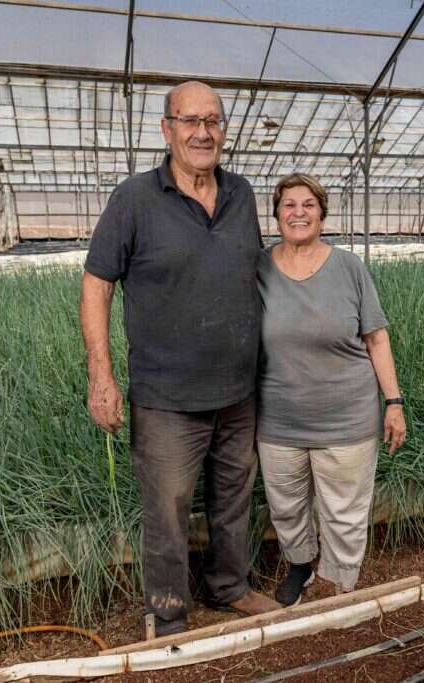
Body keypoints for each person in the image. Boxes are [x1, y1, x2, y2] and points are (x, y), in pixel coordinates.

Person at [79, 81, 280, 637]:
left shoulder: (241, 195)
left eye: (213, 121)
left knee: (234, 496)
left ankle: (230, 587)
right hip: (167, 398)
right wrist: (102, 375)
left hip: (239, 393)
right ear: (166, 129)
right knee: (168, 509)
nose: (202, 132)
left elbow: (251, 277)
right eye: (190, 120)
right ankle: (168, 614)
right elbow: (96, 285)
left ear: (224, 130)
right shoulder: (135, 199)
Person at [256, 173, 407, 606]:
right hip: (278, 419)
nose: (298, 213)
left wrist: (394, 402)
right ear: (277, 214)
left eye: (308, 205)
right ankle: (300, 565)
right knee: (286, 506)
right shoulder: (258, 268)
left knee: (343, 511)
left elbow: (376, 338)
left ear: (322, 214)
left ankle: (340, 582)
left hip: (346, 416)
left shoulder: (348, 268)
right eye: (289, 205)